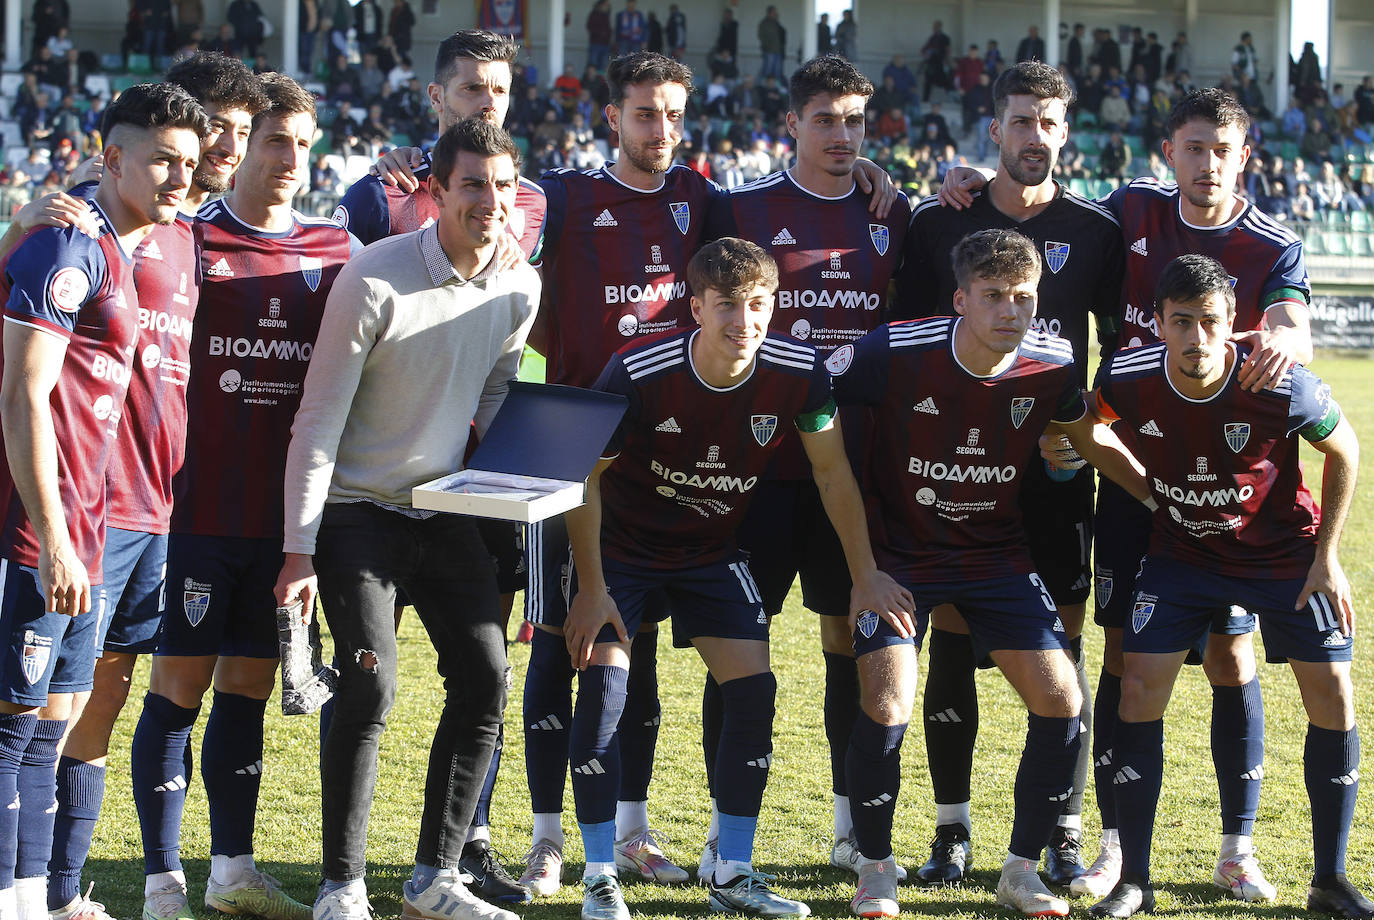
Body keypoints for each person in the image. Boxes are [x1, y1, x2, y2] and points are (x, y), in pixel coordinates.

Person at [937, 85, 1314, 902]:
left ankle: (1236, 847)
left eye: (1222, 149)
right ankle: (1111, 844)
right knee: (1121, 654)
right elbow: (1040, 209)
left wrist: (1281, 340)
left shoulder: (1272, 245)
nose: (1206, 163)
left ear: (1244, 155)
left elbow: (1290, 319)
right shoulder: (1129, 213)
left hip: (1232, 489)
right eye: (1193, 147)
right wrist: (963, 178)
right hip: (1132, 470)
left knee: (1228, 654)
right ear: (1168, 153)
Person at [567, 236, 910, 920]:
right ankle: (600, 875)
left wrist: (866, 574)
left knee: (754, 695)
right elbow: (584, 477)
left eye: (757, 305)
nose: (743, 322)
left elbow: (832, 470)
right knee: (607, 691)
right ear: (696, 307)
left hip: (708, 550)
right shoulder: (638, 369)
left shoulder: (800, 371)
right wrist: (592, 586)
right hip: (624, 550)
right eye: (726, 306)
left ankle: (734, 872)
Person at [1051, 254, 1373, 920]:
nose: (1196, 338)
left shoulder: (1278, 383)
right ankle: (1133, 878)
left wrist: (1329, 557)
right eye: (1181, 323)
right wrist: (1149, 492)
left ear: (1234, 325)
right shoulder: (1130, 378)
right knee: (1137, 684)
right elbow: (1083, 426)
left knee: (1335, 692)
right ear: (1159, 326)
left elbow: (1345, 448)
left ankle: (1330, 879)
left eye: (1209, 322)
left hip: (1283, 554)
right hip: (1184, 555)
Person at [832, 227, 1142, 919]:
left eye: (1024, 297)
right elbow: (814, 414)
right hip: (899, 556)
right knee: (887, 705)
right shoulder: (891, 353)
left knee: (1062, 701)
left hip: (995, 555)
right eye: (994, 296)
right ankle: (876, 869)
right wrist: (863, 570)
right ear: (960, 298)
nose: (1010, 310)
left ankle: (1020, 872)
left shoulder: (1054, 361)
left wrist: (1158, 496)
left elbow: (1085, 436)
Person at [277, 116, 538, 920]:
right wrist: (297, 551)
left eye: (500, 186)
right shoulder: (375, 276)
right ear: (435, 191)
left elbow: (494, 396)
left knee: (487, 680)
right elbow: (319, 419)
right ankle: (341, 886)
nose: (489, 202)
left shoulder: (522, 283)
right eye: (471, 185)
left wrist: (535, 475)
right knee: (370, 688)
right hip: (359, 511)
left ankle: (435, 879)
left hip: (444, 507)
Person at [32, 53, 267, 920]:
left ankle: (61, 889)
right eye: (207, 130)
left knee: (105, 695)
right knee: (42, 704)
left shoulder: (195, 235)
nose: (213, 149)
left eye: (227, 135)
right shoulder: (93, 227)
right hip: (86, 506)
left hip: (159, 507)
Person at [128, 72, 357, 920]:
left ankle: (232, 870)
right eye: (274, 140)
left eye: (304, 141)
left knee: (249, 692)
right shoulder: (188, 235)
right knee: (176, 690)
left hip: (285, 523)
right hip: (193, 513)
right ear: (242, 142)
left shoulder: (337, 249)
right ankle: (160, 881)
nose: (291, 158)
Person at [893, 59, 1125, 889]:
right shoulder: (938, 221)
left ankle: (1062, 827)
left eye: (1051, 123)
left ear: (1068, 132)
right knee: (952, 640)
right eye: (1021, 121)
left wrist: (1091, 428)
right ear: (994, 127)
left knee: (1059, 645)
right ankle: (952, 833)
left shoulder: (1097, 230)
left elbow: (1127, 352)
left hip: (1053, 473)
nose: (1036, 138)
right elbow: (905, 344)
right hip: (957, 471)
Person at [0, 80, 203, 920]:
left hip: (91, 519)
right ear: (112, 156)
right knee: (13, 725)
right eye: (162, 159)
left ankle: (29, 898)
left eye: (189, 164)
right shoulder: (68, 244)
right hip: (36, 527)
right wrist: (49, 534)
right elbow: (22, 393)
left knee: (51, 724)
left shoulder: (122, 246)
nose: (179, 179)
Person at [705, 52, 910, 885]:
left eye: (856, 121)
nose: (842, 135)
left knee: (846, 641)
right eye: (825, 119)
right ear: (791, 123)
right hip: (753, 470)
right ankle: (725, 833)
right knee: (736, 652)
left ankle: (845, 825)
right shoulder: (742, 208)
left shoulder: (892, 218)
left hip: (849, 471)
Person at [757, 6, 784, 81]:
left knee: (777, 72)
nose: (776, 14)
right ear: (769, 13)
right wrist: (767, 46)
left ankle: (776, 88)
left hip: (778, 51)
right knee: (767, 71)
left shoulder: (776, 23)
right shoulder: (764, 23)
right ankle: (764, 87)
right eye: (774, 12)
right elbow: (761, 36)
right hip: (769, 51)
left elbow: (782, 34)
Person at [586, 0, 611, 72]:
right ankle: (591, 80)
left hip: (605, 44)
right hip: (595, 43)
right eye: (605, 5)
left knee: (603, 65)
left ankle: (600, 81)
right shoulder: (594, 14)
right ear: (600, 5)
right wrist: (600, 33)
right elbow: (589, 27)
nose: (607, 7)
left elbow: (608, 29)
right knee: (592, 64)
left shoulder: (606, 15)